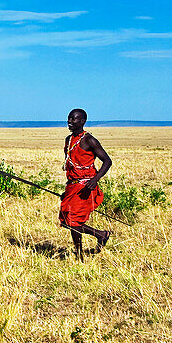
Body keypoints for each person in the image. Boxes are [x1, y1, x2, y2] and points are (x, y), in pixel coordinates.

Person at [60, 108, 112, 261]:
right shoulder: (68, 140)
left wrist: (95, 180)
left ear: (82, 121)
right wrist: (68, 190)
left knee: (73, 221)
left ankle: (80, 255)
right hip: (72, 185)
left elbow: (107, 161)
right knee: (66, 220)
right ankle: (100, 236)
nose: (70, 121)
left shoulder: (89, 140)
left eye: (74, 119)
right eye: (69, 118)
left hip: (85, 187)